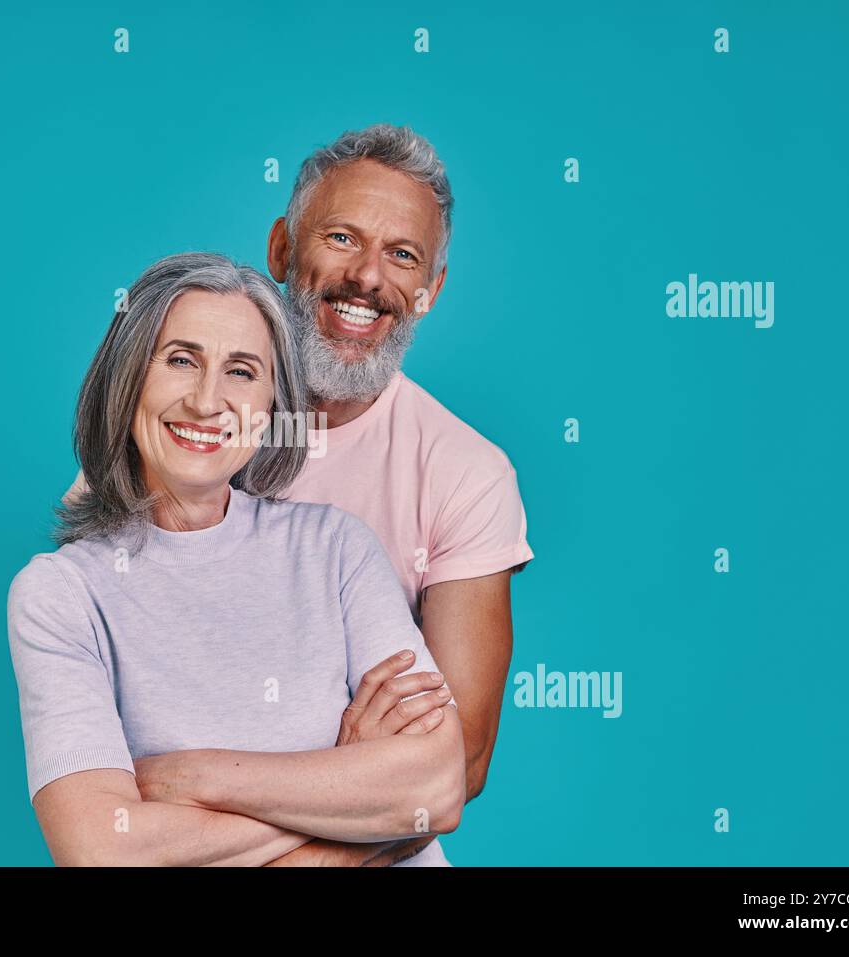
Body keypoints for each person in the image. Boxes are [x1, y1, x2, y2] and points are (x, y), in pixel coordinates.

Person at [68, 126, 535, 866]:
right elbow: (108, 742)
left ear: (430, 290)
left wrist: (211, 788)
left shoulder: (465, 473)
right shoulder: (165, 433)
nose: (368, 278)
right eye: (343, 237)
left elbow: (456, 766)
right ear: (283, 247)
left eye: (403, 255)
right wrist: (346, 770)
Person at [7, 252, 464, 866]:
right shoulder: (60, 595)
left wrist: (197, 780)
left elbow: (434, 787)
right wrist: (346, 801)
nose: (206, 401)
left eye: (242, 371)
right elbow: (102, 851)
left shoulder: (337, 549)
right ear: (126, 378)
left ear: (274, 404)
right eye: (180, 360)